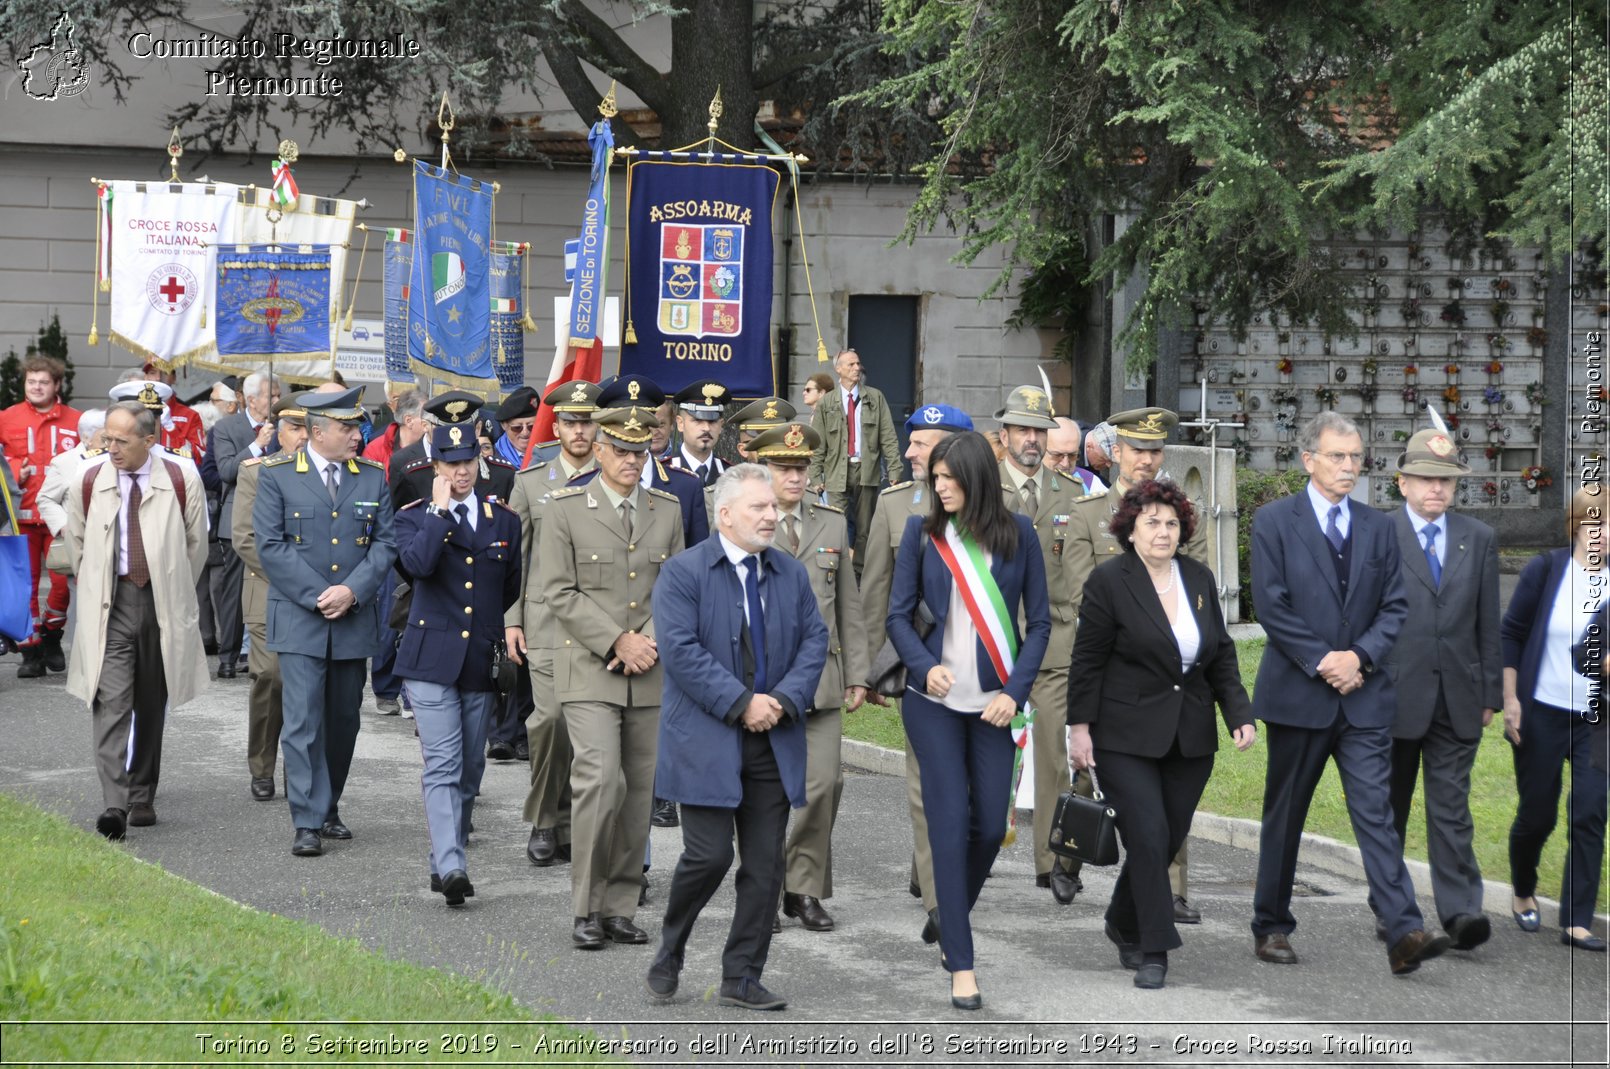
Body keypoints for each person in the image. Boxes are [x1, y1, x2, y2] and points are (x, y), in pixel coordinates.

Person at [1250, 411, 1450, 975]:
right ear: (1308, 459)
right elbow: (1272, 605)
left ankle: (1403, 928)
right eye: (1337, 456)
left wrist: (1357, 657)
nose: (1348, 466)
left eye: (1356, 456)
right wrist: (1323, 661)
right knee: (1285, 815)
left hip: (1362, 695)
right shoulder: (1273, 522)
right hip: (1298, 695)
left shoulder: (1380, 526)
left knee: (1376, 814)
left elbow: (1395, 608)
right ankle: (1271, 925)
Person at [646, 463, 829, 1010]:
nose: (773, 515)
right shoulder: (683, 573)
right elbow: (680, 652)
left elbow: (814, 642)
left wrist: (783, 702)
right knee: (707, 857)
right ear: (725, 515)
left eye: (774, 507)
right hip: (706, 738)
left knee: (766, 864)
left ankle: (742, 975)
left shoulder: (790, 573)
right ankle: (671, 949)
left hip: (773, 736)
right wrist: (740, 702)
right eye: (760, 507)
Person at [1067, 480, 1256, 989]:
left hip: (1189, 737)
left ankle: (1121, 918)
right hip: (1123, 735)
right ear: (1130, 530)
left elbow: (1220, 652)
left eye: (1171, 523)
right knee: (1147, 836)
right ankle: (1154, 947)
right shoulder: (1109, 581)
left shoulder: (1197, 577)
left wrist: (1238, 712)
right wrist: (1078, 728)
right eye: (1151, 522)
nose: (1163, 531)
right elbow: (1087, 659)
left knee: (1166, 839)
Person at [886, 430, 1050, 1011]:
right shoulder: (921, 534)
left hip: (993, 706)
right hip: (932, 704)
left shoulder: (1019, 534)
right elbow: (897, 617)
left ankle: (948, 916)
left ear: (977, 478)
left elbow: (1042, 626)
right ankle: (962, 963)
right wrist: (923, 666)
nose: (939, 488)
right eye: (935, 479)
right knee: (950, 824)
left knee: (987, 829)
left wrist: (1015, 690)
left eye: (949, 479)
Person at [540, 405, 685, 948]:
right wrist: (616, 640)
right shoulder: (566, 508)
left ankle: (621, 904)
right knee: (600, 782)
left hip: (648, 668)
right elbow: (557, 590)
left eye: (639, 451)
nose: (631, 460)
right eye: (620, 450)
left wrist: (644, 639)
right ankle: (585, 907)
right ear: (598, 450)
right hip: (589, 668)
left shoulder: (666, 510)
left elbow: (676, 584)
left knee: (638, 792)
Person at [1063, 406, 1207, 921]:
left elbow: (1197, 590)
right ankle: (1070, 852)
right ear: (1116, 451)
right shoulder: (1087, 513)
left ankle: (1170, 889)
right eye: (1137, 449)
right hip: (1110, 665)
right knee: (1091, 771)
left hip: (1169, 673)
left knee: (1168, 792)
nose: (1146, 459)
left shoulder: (1179, 513)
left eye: (1155, 450)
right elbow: (1083, 594)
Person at [254, 387, 397, 857]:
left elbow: (385, 545)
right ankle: (307, 819)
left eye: (357, 427)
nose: (358, 435)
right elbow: (270, 546)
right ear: (317, 433)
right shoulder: (277, 476)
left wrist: (352, 590)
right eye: (347, 428)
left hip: (352, 619)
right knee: (302, 721)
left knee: (342, 721)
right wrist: (319, 596)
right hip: (300, 618)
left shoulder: (373, 478)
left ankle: (329, 804)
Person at [1379, 428, 1503, 951]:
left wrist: (1490, 694)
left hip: (1458, 696)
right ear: (1402, 483)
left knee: (1452, 808)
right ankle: (1392, 910)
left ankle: (1460, 913)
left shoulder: (1477, 538)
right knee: (1390, 806)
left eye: (1447, 482)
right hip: (1392, 697)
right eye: (1426, 480)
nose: (1437, 490)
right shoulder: (1379, 534)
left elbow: (1486, 622)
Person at [61, 401, 207, 839]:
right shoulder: (87, 480)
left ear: (150, 440)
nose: (111, 448)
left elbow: (195, 549)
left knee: (150, 703)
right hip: (112, 603)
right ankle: (114, 803)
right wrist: (99, 590)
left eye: (122, 441)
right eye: (108, 438)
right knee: (111, 702)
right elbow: (77, 547)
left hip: (161, 602)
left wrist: (171, 589)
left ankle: (142, 792)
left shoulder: (182, 478)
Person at [392, 419, 522, 906]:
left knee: (470, 768)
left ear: (478, 461)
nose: (461, 470)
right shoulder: (414, 516)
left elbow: (510, 586)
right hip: (429, 658)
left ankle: (445, 854)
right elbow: (418, 566)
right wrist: (439, 513)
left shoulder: (503, 519)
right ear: (435, 468)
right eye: (451, 463)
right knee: (442, 763)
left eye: (468, 460)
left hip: (478, 658)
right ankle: (451, 864)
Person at [858, 402, 973, 932]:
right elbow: (876, 591)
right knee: (927, 781)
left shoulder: (993, 507)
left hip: (987, 668)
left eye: (921, 443)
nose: (908, 451)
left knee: (975, 788)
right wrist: (873, 667)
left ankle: (930, 867)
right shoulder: (894, 505)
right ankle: (938, 893)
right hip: (924, 665)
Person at [751, 423, 869, 933]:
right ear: (765, 471)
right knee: (764, 790)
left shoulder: (831, 523)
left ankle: (803, 888)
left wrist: (858, 672)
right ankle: (764, 886)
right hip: (761, 680)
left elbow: (848, 602)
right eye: (783, 468)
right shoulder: (744, 521)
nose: (794, 477)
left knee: (825, 784)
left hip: (821, 677)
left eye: (801, 468)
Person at [1500, 485, 1607, 952]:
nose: (1602, 534)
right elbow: (1512, 634)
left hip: (1597, 719)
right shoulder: (1547, 570)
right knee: (1537, 814)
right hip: (1540, 709)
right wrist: (1510, 699)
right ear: (1576, 525)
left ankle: (1576, 919)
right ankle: (1523, 888)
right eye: (1594, 523)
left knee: (1589, 811)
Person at [994, 385, 1087, 906]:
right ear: (1003, 434)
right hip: (990, 641)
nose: (1032, 439)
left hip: (1053, 642)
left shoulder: (1074, 495)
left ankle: (1055, 861)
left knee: (1054, 753)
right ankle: (955, 855)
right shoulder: (980, 491)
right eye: (1022, 429)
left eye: (1039, 430)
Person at [506, 379, 601, 865]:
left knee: (591, 732)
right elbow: (515, 560)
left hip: (599, 626)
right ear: (557, 427)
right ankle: (546, 819)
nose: (579, 431)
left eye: (587, 421)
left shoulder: (614, 478)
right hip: (543, 622)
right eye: (570, 422)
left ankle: (576, 825)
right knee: (550, 721)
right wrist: (511, 619)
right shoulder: (531, 483)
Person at [232, 395, 309, 800]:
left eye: (305, 427)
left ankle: (302, 770)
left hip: (319, 597)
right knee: (271, 677)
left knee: (309, 684)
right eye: (293, 428)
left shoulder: (325, 474)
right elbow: (245, 538)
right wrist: (297, 581)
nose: (300, 436)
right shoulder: (257, 473)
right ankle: (262, 764)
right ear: (277, 431)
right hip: (269, 592)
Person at [0, 354, 81, 677]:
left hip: (61, 515)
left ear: (57, 385)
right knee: (26, 586)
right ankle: (31, 650)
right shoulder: (8, 417)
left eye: (43, 382)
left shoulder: (76, 420)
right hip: (21, 517)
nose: (36, 387)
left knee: (63, 582)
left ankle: (51, 632)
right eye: (31, 382)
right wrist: (17, 472)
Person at [807, 348, 905, 567]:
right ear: (838, 369)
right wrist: (815, 476)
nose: (856, 368)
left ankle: (860, 572)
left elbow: (888, 437)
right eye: (850, 364)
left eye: (858, 364)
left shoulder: (875, 397)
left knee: (865, 528)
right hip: (835, 472)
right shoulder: (827, 402)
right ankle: (837, 570)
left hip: (866, 470)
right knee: (835, 524)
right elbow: (819, 442)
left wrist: (895, 471)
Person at [214, 371, 282, 680]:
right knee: (234, 592)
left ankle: (265, 653)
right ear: (251, 399)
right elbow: (227, 470)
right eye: (272, 396)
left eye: (279, 396)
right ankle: (228, 657)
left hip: (276, 518)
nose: (277, 402)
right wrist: (257, 445)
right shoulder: (227, 427)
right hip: (237, 520)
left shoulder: (286, 428)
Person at [363, 389, 426, 718]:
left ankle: (409, 691)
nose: (430, 422)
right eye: (425, 416)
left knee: (417, 619)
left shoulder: (429, 449)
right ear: (409, 419)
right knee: (391, 616)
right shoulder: (376, 448)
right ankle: (385, 688)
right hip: (387, 541)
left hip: (420, 539)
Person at [391, 393, 516, 510]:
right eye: (445, 432)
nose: (456, 437)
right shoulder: (414, 477)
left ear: (478, 429)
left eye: (464, 430)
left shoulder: (503, 474)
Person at [667, 379, 731, 486]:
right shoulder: (661, 472)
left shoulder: (732, 475)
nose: (706, 428)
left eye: (712, 421)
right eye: (697, 420)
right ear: (680, 423)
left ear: (721, 425)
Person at [361, 389, 426, 476]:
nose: (431, 422)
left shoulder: (432, 448)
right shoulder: (375, 450)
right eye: (426, 416)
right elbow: (369, 487)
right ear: (409, 421)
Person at [1048, 416, 1106, 494]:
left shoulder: (1091, 483)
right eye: (1058, 455)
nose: (1065, 464)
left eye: (1072, 455)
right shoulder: (1029, 481)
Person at [493, 386, 539, 468]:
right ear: (504, 425)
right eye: (517, 428)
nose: (525, 433)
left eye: (531, 427)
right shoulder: (493, 457)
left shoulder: (551, 453)